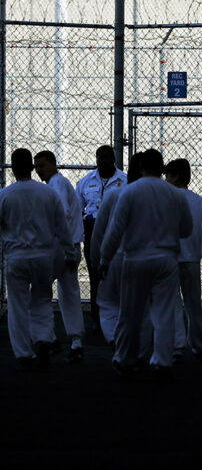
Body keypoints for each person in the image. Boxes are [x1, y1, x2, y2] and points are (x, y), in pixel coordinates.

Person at [99, 148, 193, 378]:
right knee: (163, 312)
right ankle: (162, 360)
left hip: (135, 258)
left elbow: (115, 230)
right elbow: (187, 228)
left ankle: (123, 357)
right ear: (162, 168)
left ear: (141, 167)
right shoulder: (175, 194)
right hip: (166, 258)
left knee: (129, 313)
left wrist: (104, 259)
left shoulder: (129, 192)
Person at [0, 148, 76, 370]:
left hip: (16, 255)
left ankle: (24, 352)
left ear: (13, 168)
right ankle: (43, 337)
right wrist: (70, 254)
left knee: (17, 305)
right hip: (43, 255)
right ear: (32, 167)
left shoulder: (5, 195)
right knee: (42, 300)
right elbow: (62, 228)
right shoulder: (48, 194)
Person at [91, 151, 153, 360]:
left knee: (109, 303)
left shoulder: (116, 194)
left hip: (117, 257)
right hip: (147, 257)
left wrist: (98, 260)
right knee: (144, 310)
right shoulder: (159, 195)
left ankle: (115, 339)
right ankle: (142, 354)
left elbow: (101, 232)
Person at [33, 150, 85, 362]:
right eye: (36, 166)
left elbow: (60, 215)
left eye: (42, 165)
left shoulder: (56, 185)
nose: (38, 170)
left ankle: (47, 338)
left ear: (53, 164)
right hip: (69, 245)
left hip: (59, 246)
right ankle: (75, 341)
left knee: (41, 291)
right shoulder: (58, 184)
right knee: (68, 293)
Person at [76, 145, 127, 332]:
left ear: (114, 159)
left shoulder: (124, 180)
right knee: (95, 273)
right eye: (100, 158)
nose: (104, 161)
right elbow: (77, 208)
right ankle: (97, 318)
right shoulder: (85, 181)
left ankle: (119, 317)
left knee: (117, 273)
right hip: (92, 229)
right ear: (96, 159)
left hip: (116, 230)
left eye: (107, 158)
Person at [165, 158, 202, 361]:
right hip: (192, 257)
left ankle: (177, 345)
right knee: (193, 303)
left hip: (171, 257)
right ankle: (197, 344)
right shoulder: (200, 202)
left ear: (176, 176)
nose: (165, 179)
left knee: (172, 302)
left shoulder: (166, 200)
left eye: (168, 175)